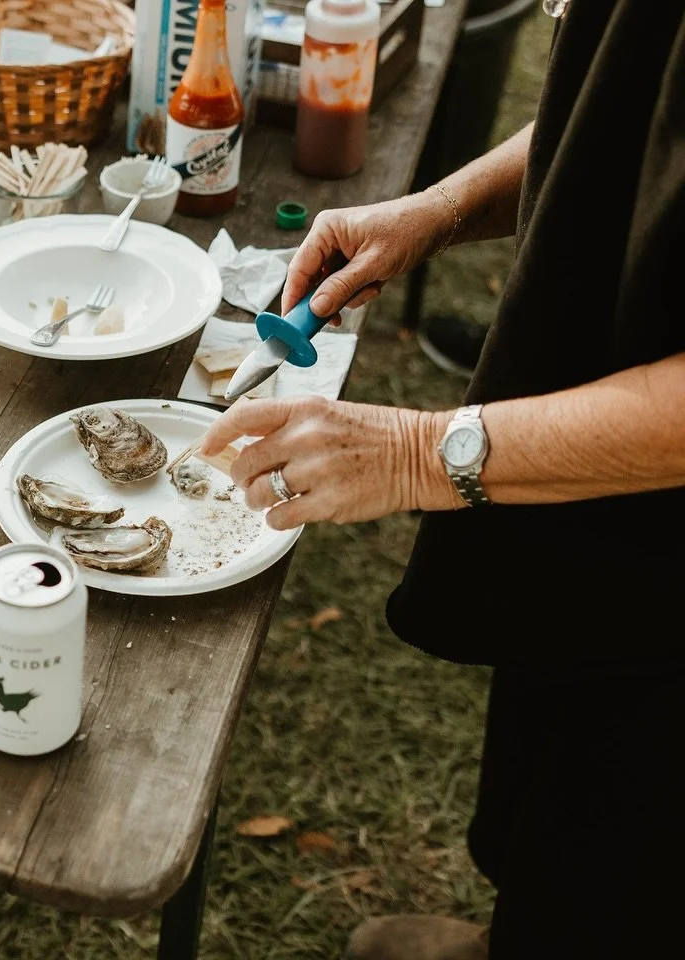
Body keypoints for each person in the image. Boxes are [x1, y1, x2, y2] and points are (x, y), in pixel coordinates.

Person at [200, 2, 681, 958]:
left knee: (645, 849)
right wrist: (443, 208)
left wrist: (418, 452)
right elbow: (630, 118)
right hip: (597, 507)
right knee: (566, 802)